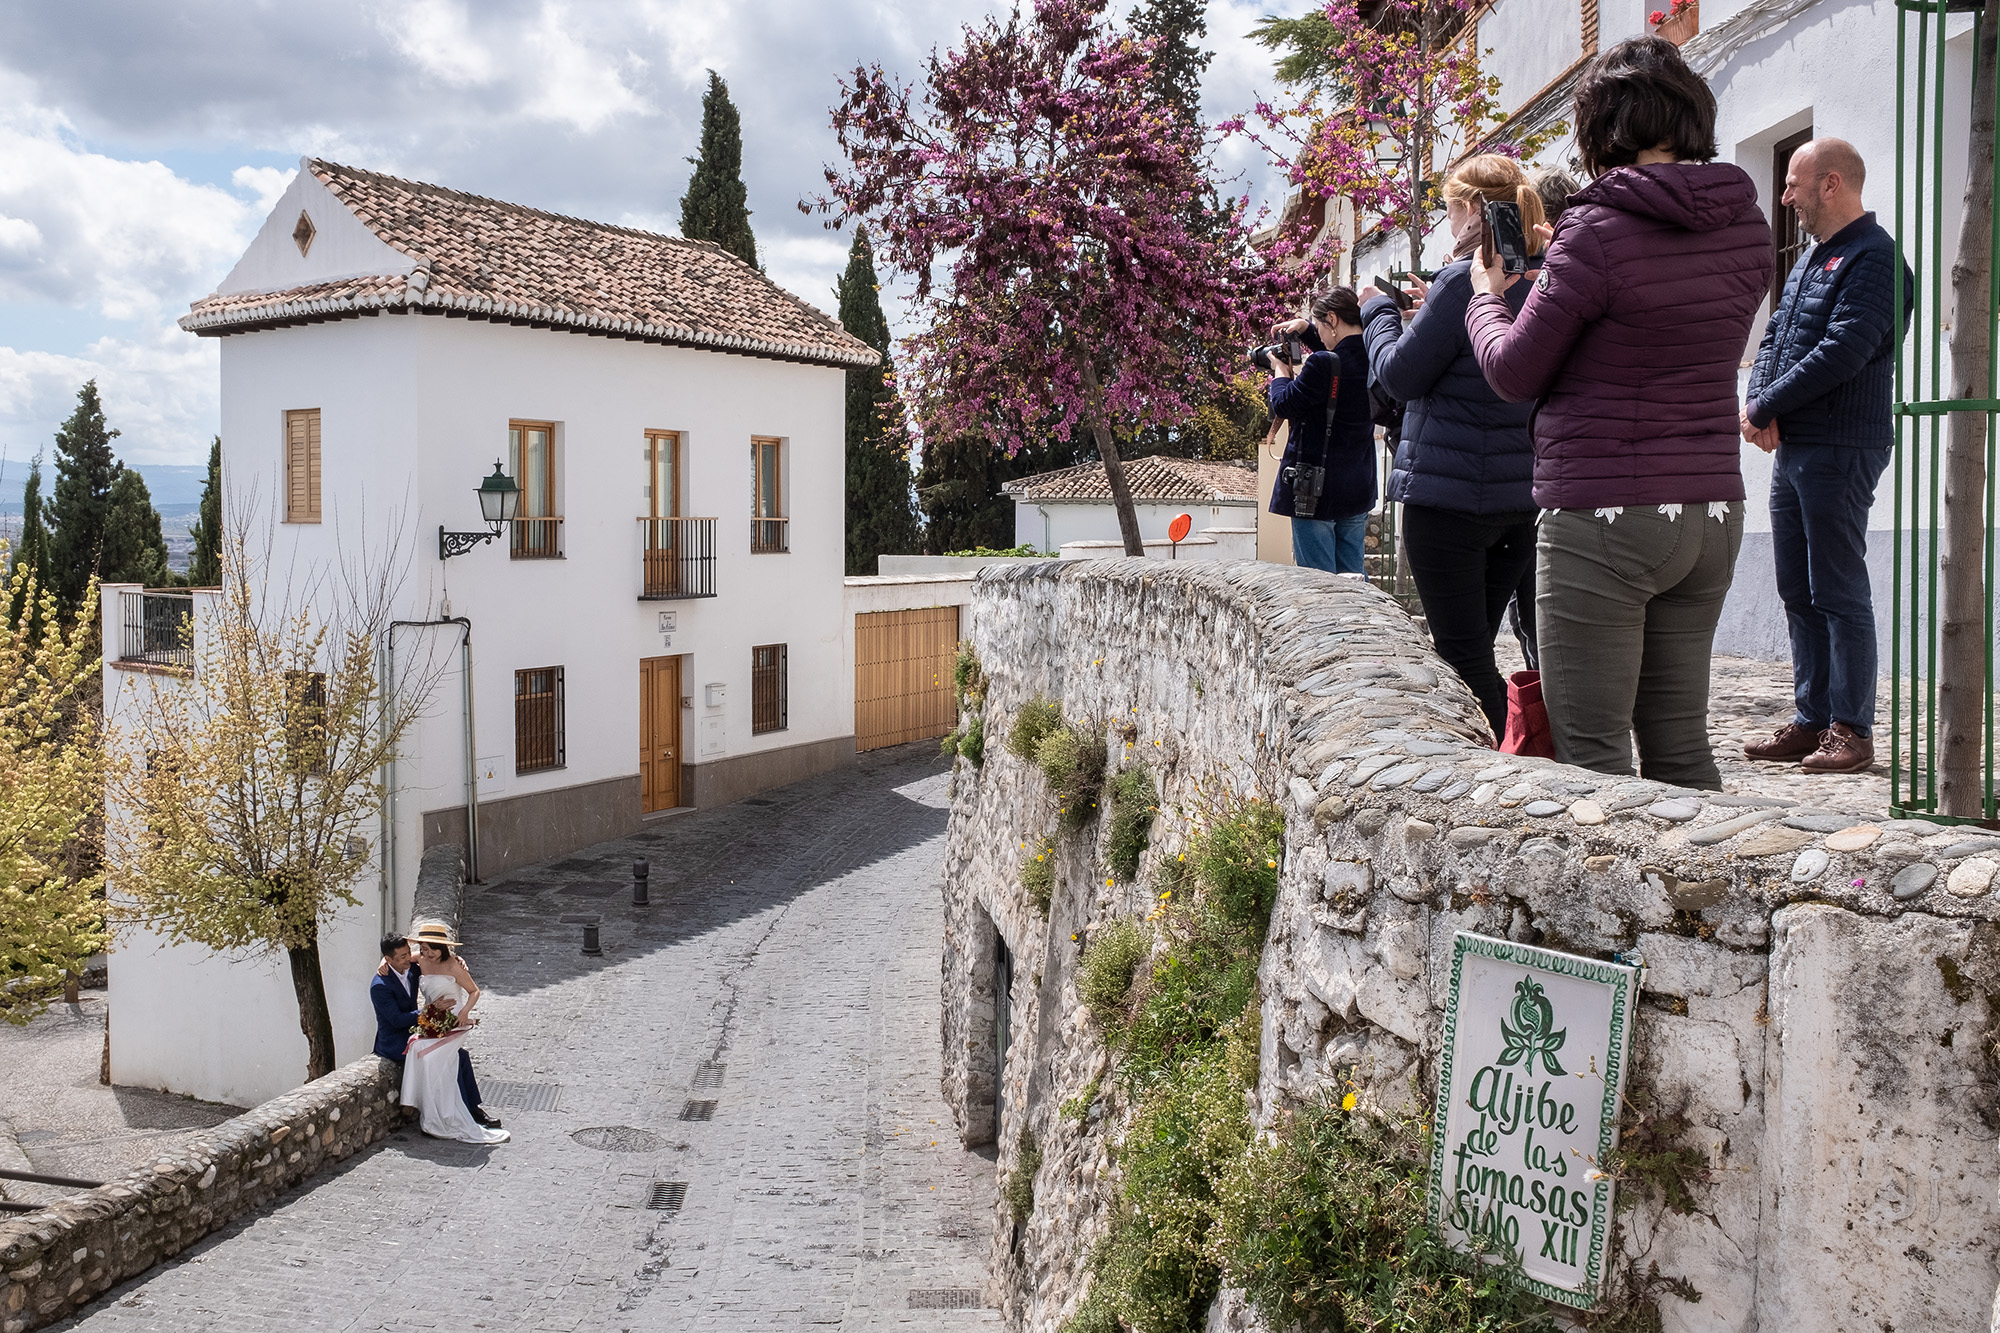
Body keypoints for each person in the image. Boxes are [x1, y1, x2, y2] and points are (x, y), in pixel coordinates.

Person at [1464, 36, 1774, 786]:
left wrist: (1485, 297)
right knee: (1681, 745)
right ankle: (1699, 902)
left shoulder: (1594, 233)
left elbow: (1514, 370)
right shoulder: (1751, 230)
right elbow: (1658, 326)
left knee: (1593, 756)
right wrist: (1566, 263)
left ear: (1602, 131)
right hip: (1709, 511)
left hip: (1605, 514)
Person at [1740, 138, 1910, 774]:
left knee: (1838, 588)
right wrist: (1760, 400)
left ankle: (1851, 728)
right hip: (1798, 446)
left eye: (1793, 184)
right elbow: (1779, 333)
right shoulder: (1815, 259)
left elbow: (1842, 352)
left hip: (1842, 446)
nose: (1786, 197)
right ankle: (1811, 719)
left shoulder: (1877, 261)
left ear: (1831, 183)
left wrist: (1763, 408)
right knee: (1797, 588)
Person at [1360, 154, 1546, 736]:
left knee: (1463, 656)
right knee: (1482, 644)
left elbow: (1398, 376)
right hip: (1522, 499)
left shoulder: (1460, 280)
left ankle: (1502, 778)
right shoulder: (1549, 278)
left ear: (1470, 210)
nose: (1447, 223)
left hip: (1449, 501)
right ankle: (1523, 757)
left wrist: (1379, 314)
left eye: (1448, 209)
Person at [1266, 287, 1376, 573]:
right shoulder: (1375, 355)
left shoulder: (1321, 364)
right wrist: (1306, 329)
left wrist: (1279, 369)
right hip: (1357, 486)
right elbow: (1337, 356)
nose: (1319, 334)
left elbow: (1284, 404)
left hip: (1314, 490)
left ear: (1333, 318)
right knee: (1352, 580)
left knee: (1320, 581)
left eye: (1319, 326)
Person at [372, 924, 508, 1144]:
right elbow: (396, 1019)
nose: (417, 956)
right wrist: (431, 1010)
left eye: (428, 950)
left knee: (453, 1057)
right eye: (423, 949)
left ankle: (470, 1110)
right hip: (402, 1034)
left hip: (443, 1021)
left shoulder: (415, 965)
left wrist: (458, 964)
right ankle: (453, 1112)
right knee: (454, 1057)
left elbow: (469, 986)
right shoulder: (386, 981)